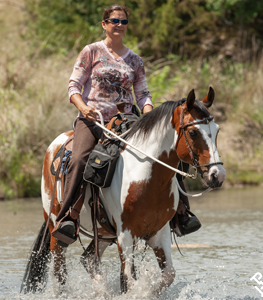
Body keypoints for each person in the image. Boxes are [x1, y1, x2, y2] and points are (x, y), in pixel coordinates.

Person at [53, 4, 200, 245]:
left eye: (123, 21)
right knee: (80, 159)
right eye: (114, 21)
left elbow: (143, 95)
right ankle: (69, 217)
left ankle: (181, 213)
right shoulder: (91, 52)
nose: (119, 25)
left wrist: (150, 118)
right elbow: (73, 87)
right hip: (93, 120)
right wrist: (83, 108)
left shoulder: (135, 60)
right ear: (104, 24)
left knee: (167, 152)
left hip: (127, 121)